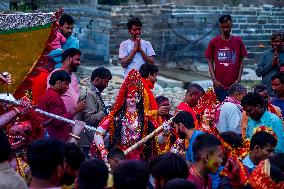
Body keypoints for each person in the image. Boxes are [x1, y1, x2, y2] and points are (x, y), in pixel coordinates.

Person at [90, 69, 159, 162]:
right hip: (118, 157)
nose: (132, 100)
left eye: (135, 97)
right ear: (125, 98)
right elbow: (98, 133)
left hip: (137, 159)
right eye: (130, 97)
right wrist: (103, 151)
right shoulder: (116, 117)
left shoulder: (145, 118)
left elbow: (158, 139)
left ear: (139, 98)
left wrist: (165, 133)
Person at [205, 14, 247, 102]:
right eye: (223, 27)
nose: (226, 29)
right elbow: (209, 61)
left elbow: (241, 61)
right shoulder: (214, 42)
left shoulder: (238, 41)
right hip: (219, 84)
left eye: (228, 27)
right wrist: (214, 79)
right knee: (220, 107)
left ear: (231, 25)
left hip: (234, 84)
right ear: (219, 26)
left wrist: (238, 79)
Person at [39, 70, 85, 141]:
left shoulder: (48, 94)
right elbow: (58, 121)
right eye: (66, 84)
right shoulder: (54, 97)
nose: (67, 88)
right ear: (59, 82)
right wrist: (76, 110)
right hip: (57, 140)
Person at [79, 67, 112, 158]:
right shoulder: (89, 94)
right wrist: (107, 111)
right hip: (88, 141)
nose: (107, 85)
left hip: (92, 139)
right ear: (97, 79)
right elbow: (89, 119)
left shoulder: (94, 92)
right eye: (106, 81)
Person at [47, 48, 86, 114]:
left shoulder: (73, 76)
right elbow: (51, 98)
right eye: (77, 60)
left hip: (73, 119)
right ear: (69, 59)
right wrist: (75, 110)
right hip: (61, 119)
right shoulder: (56, 74)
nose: (79, 63)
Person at [256, 32, 284, 96]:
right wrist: (271, 64)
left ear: (283, 42)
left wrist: (278, 65)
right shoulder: (265, 54)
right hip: (266, 94)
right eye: (273, 41)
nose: (274, 44)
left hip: (281, 95)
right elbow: (258, 73)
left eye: (277, 42)